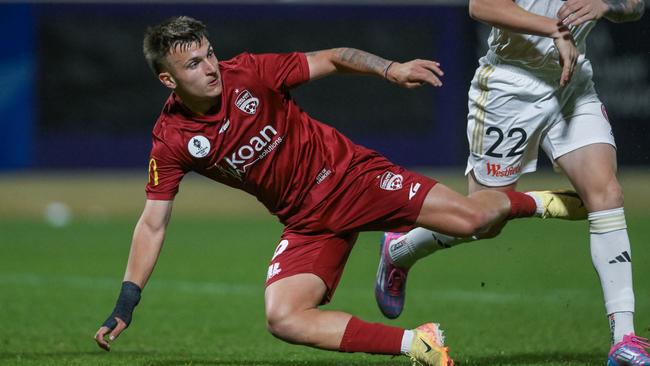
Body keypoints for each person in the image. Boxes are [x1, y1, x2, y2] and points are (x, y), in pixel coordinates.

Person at [93, 16, 585, 366]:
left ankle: (546, 201)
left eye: (209, 54)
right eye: (194, 64)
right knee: (283, 318)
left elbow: (331, 57)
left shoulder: (251, 74)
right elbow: (153, 221)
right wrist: (127, 301)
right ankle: (418, 344)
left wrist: (390, 68)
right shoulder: (173, 140)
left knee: (479, 220)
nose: (210, 67)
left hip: (352, 177)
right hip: (307, 221)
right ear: (167, 79)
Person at [374, 1, 649, 365]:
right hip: (510, 88)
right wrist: (554, 28)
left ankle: (624, 340)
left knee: (607, 194)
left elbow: (636, 6)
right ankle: (401, 250)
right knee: (484, 220)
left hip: (571, 83)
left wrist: (605, 5)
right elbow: (481, 6)